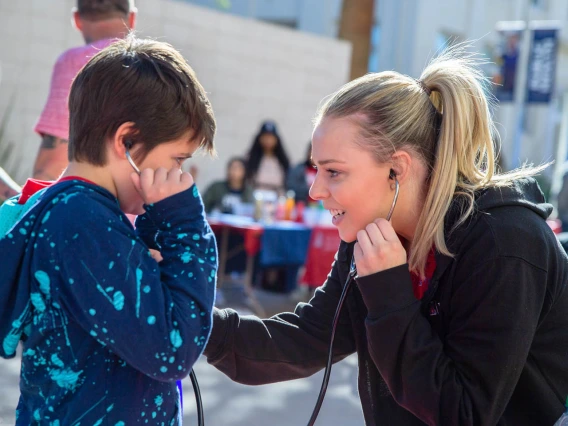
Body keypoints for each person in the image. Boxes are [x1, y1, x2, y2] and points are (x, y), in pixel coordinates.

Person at [203, 48, 568, 425]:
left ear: (397, 169)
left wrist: (388, 292)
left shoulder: (504, 244)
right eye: (317, 170)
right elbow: (305, 340)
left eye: (334, 172)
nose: (315, 191)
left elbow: (464, 413)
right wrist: (191, 320)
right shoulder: (370, 236)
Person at [0, 36, 217, 424]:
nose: (179, 176)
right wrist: (184, 225)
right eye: (177, 159)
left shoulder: (82, 214)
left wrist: (157, 227)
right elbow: (172, 350)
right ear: (126, 141)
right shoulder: (82, 223)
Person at [32, 0, 136, 181]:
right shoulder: (156, 63)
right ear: (132, 18)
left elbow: (53, 161)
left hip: (91, 204)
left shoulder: (74, 62)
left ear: (77, 19)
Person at [245, 120, 290, 193]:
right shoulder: (250, 158)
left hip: (278, 196)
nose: (268, 140)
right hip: (255, 196)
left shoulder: (282, 160)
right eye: (265, 137)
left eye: (271, 137)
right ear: (259, 138)